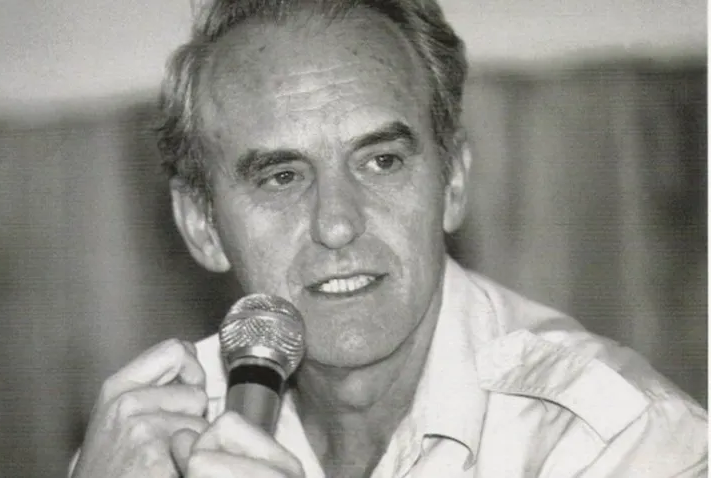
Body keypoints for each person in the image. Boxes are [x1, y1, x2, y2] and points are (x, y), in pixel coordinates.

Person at [70, 0, 708, 476]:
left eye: (381, 162)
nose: (337, 224)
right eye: (282, 177)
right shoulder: (151, 444)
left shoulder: (621, 441)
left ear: (452, 183)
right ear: (202, 226)